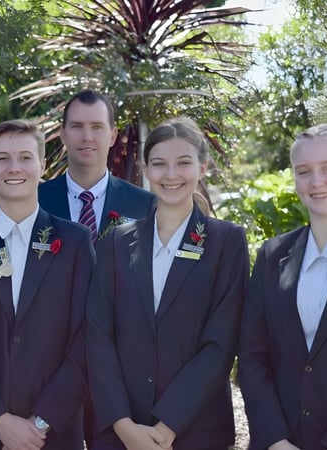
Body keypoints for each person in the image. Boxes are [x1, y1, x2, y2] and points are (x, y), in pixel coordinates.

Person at [86, 116, 248, 449]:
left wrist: (168, 425)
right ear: (146, 170)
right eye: (159, 164)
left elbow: (220, 343)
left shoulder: (226, 242)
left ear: (203, 167)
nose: (171, 175)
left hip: (195, 432)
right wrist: (123, 424)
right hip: (120, 434)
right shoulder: (116, 243)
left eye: (183, 163)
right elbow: (97, 335)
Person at [0, 119, 95, 450]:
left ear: (42, 165)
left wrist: (40, 423)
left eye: (25, 157)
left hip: (54, 434)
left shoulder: (74, 242)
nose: (14, 167)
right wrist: (0, 420)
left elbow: (89, 336)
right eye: (2, 158)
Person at [238, 124, 327, 450]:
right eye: (304, 171)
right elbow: (252, 354)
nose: (316, 181)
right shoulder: (273, 255)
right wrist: (275, 440)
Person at [38, 90, 155, 242]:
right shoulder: (34, 201)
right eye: (77, 126)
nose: (87, 137)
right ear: (63, 134)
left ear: (113, 136)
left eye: (97, 127)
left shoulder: (144, 205)